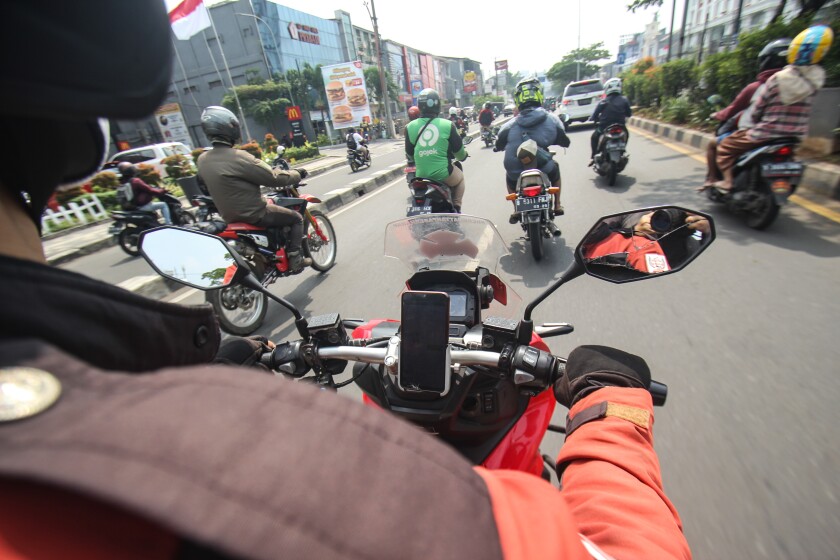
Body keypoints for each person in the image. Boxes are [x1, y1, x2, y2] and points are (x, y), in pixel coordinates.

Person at [0, 4, 690, 559]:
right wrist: (611, 408)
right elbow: (621, 545)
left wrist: (235, 365)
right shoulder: (351, 500)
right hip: (424, 197)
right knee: (304, 212)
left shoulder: (211, 168)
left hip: (414, 202)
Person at [713, 25, 833, 191]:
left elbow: (759, 108)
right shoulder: (816, 79)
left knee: (725, 146)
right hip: (795, 136)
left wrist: (753, 121)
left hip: (766, 133)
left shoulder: (777, 79)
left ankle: (727, 181)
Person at [197, 105, 311, 273]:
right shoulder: (239, 157)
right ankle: (295, 258)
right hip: (255, 214)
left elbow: (204, 186)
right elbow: (272, 177)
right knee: (296, 218)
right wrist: (297, 173)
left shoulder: (202, 159)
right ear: (231, 129)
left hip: (228, 218)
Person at [702, 39, 789, 188]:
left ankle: (719, 180)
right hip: (788, 137)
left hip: (759, 134)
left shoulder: (760, 87)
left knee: (717, 145)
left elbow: (735, 110)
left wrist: (717, 115)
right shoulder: (803, 87)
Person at [496, 77, 570, 221]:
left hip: (515, 171)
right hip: (543, 168)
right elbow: (564, 140)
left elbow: (499, 143)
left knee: (509, 177)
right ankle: (557, 205)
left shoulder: (509, 125)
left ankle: (517, 208)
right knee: (555, 167)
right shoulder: (552, 119)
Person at [406, 89, 469, 212]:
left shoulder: (410, 127)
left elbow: (410, 154)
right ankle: (456, 207)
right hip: (443, 174)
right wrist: (464, 156)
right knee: (460, 178)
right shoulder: (447, 125)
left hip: (421, 176)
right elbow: (459, 153)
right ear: (437, 105)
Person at [589, 78, 632, 164]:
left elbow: (594, 116)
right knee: (626, 134)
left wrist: (593, 119)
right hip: (621, 126)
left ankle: (594, 156)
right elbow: (629, 114)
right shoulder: (624, 100)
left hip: (604, 127)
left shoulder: (603, 102)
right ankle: (622, 150)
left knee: (594, 137)